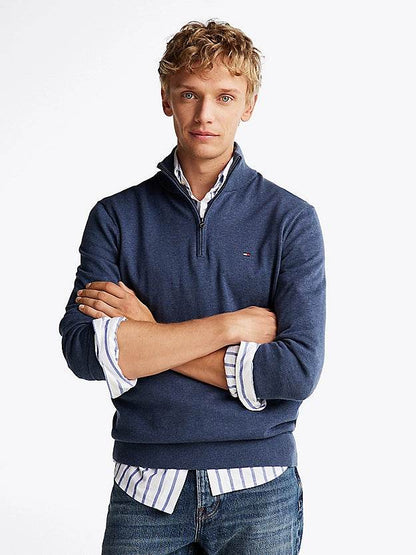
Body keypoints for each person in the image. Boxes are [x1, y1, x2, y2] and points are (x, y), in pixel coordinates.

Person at [58, 18, 326, 555]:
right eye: (189, 95)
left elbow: (295, 371)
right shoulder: (116, 217)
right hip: (145, 488)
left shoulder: (291, 219)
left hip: (259, 487)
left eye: (224, 97)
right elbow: (83, 351)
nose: (205, 115)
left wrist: (147, 335)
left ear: (248, 104)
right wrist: (230, 327)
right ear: (167, 99)